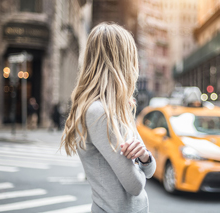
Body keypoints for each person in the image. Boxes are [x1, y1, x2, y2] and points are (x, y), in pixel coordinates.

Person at [60, 23, 156, 213]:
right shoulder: (99, 112)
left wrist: (143, 157)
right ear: (121, 62)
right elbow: (136, 186)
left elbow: (149, 169)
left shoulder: (119, 108)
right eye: (131, 57)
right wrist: (140, 163)